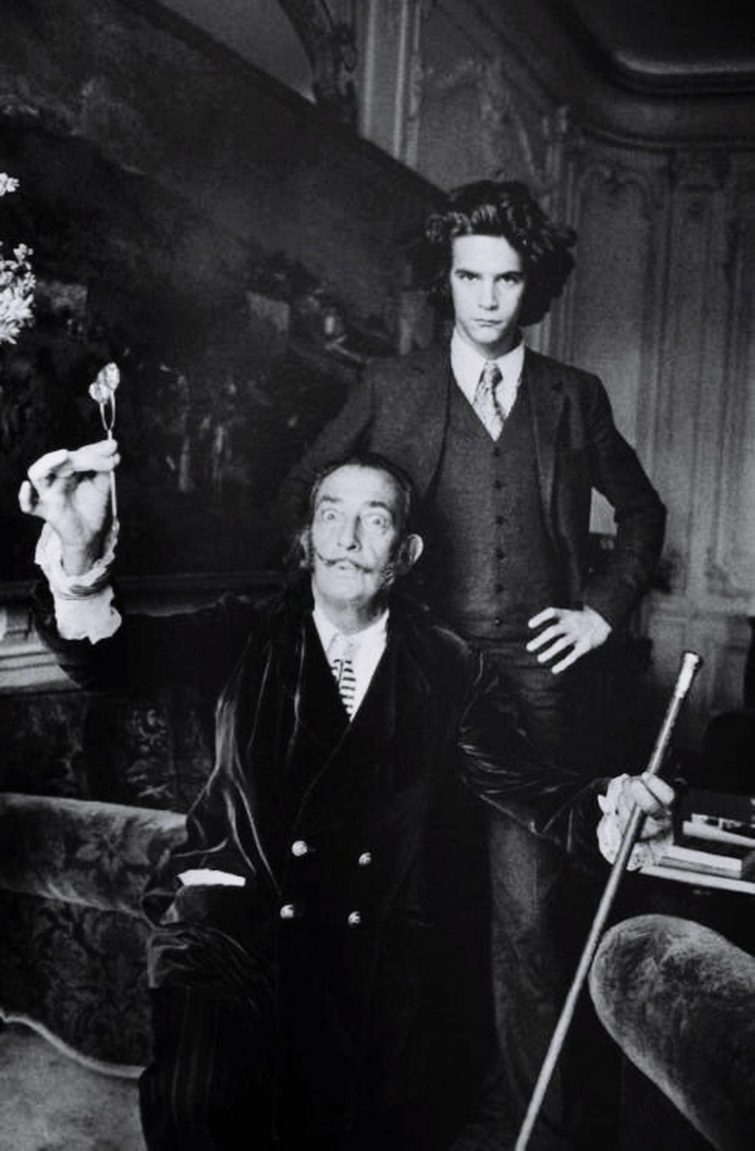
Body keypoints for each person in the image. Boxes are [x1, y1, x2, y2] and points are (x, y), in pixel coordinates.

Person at [20, 440, 672, 1151]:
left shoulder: (447, 663)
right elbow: (111, 659)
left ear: (405, 553)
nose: (348, 539)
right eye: (331, 516)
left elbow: (527, 785)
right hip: (234, 926)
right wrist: (78, 556)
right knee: (200, 1102)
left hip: (373, 950)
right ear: (308, 538)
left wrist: (611, 805)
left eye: (375, 520)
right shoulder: (246, 629)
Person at [278, 180, 667, 1145]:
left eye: (506, 279)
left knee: (529, 922)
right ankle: (403, 1119)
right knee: (406, 907)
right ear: (444, 280)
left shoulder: (573, 395)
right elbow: (303, 493)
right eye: (468, 277)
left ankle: (536, 1131)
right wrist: (349, 605)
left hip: (538, 692)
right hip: (412, 680)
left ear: (533, 286)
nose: (486, 299)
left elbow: (641, 512)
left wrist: (599, 613)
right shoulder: (389, 386)